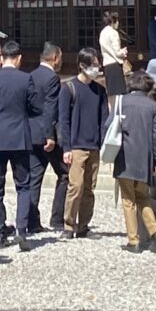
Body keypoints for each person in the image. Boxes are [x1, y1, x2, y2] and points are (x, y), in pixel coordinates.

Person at [0, 38, 38, 248]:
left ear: (1, 59)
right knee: (23, 185)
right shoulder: (26, 79)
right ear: (19, 58)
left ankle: (0, 233)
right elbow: (35, 107)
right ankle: (21, 229)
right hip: (19, 137)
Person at [113, 70, 156, 252]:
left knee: (128, 199)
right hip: (144, 158)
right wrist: (155, 159)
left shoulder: (121, 102)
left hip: (124, 156)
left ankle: (133, 240)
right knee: (143, 197)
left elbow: (109, 126)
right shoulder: (152, 106)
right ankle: (155, 232)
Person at [55, 49, 109, 237]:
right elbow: (64, 120)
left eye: (97, 63)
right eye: (93, 64)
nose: (97, 68)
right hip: (76, 145)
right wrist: (66, 147)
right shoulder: (68, 88)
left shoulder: (100, 90)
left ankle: (84, 225)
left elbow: (104, 120)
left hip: (93, 145)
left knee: (89, 189)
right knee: (75, 186)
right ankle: (69, 225)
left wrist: (104, 144)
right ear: (82, 66)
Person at [26, 42, 67, 235]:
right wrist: (50, 135)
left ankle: (31, 220)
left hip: (31, 132)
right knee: (64, 174)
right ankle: (57, 217)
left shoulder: (30, 76)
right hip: (46, 134)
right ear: (55, 58)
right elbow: (50, 107)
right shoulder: (52, 78)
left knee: (34, 178)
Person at [98, 9, 129, 97]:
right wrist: (123, 52)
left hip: (107, 64)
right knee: (119, 93)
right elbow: (117, 52)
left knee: (111, 93)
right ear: (114, 21)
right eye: (117, 21)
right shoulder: (114, 33)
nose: (118, 23)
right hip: (115, 65)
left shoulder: (103, 32)